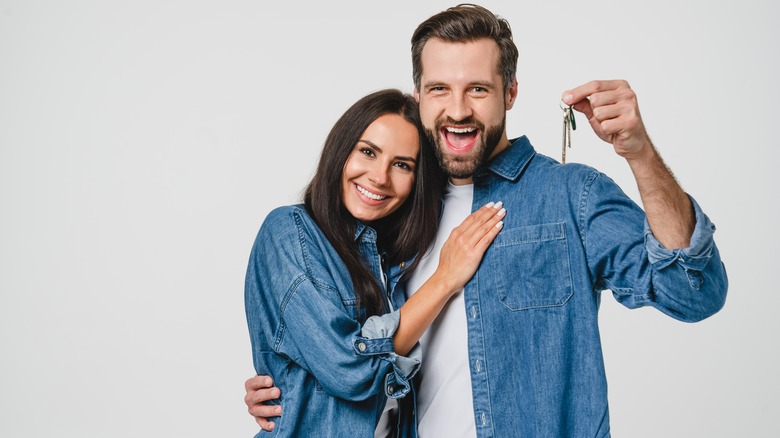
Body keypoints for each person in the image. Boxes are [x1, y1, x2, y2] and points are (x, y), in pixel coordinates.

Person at [246, 5, 728, 437]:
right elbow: (347, 351)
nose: (457, 110)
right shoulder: (393, 208)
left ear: (511, 92)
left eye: (478, 89)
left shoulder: (569, 195)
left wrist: (639, 154)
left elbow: (693, 293)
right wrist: (290, 390)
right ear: (419, 95)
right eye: (440, 89)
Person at [244, 88, 507, 437]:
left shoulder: (391, 261)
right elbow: (350, 368)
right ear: (341, 151)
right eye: (368, 152)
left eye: (401, 165)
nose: (380, 177)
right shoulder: (289, 231)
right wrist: (445, 279)